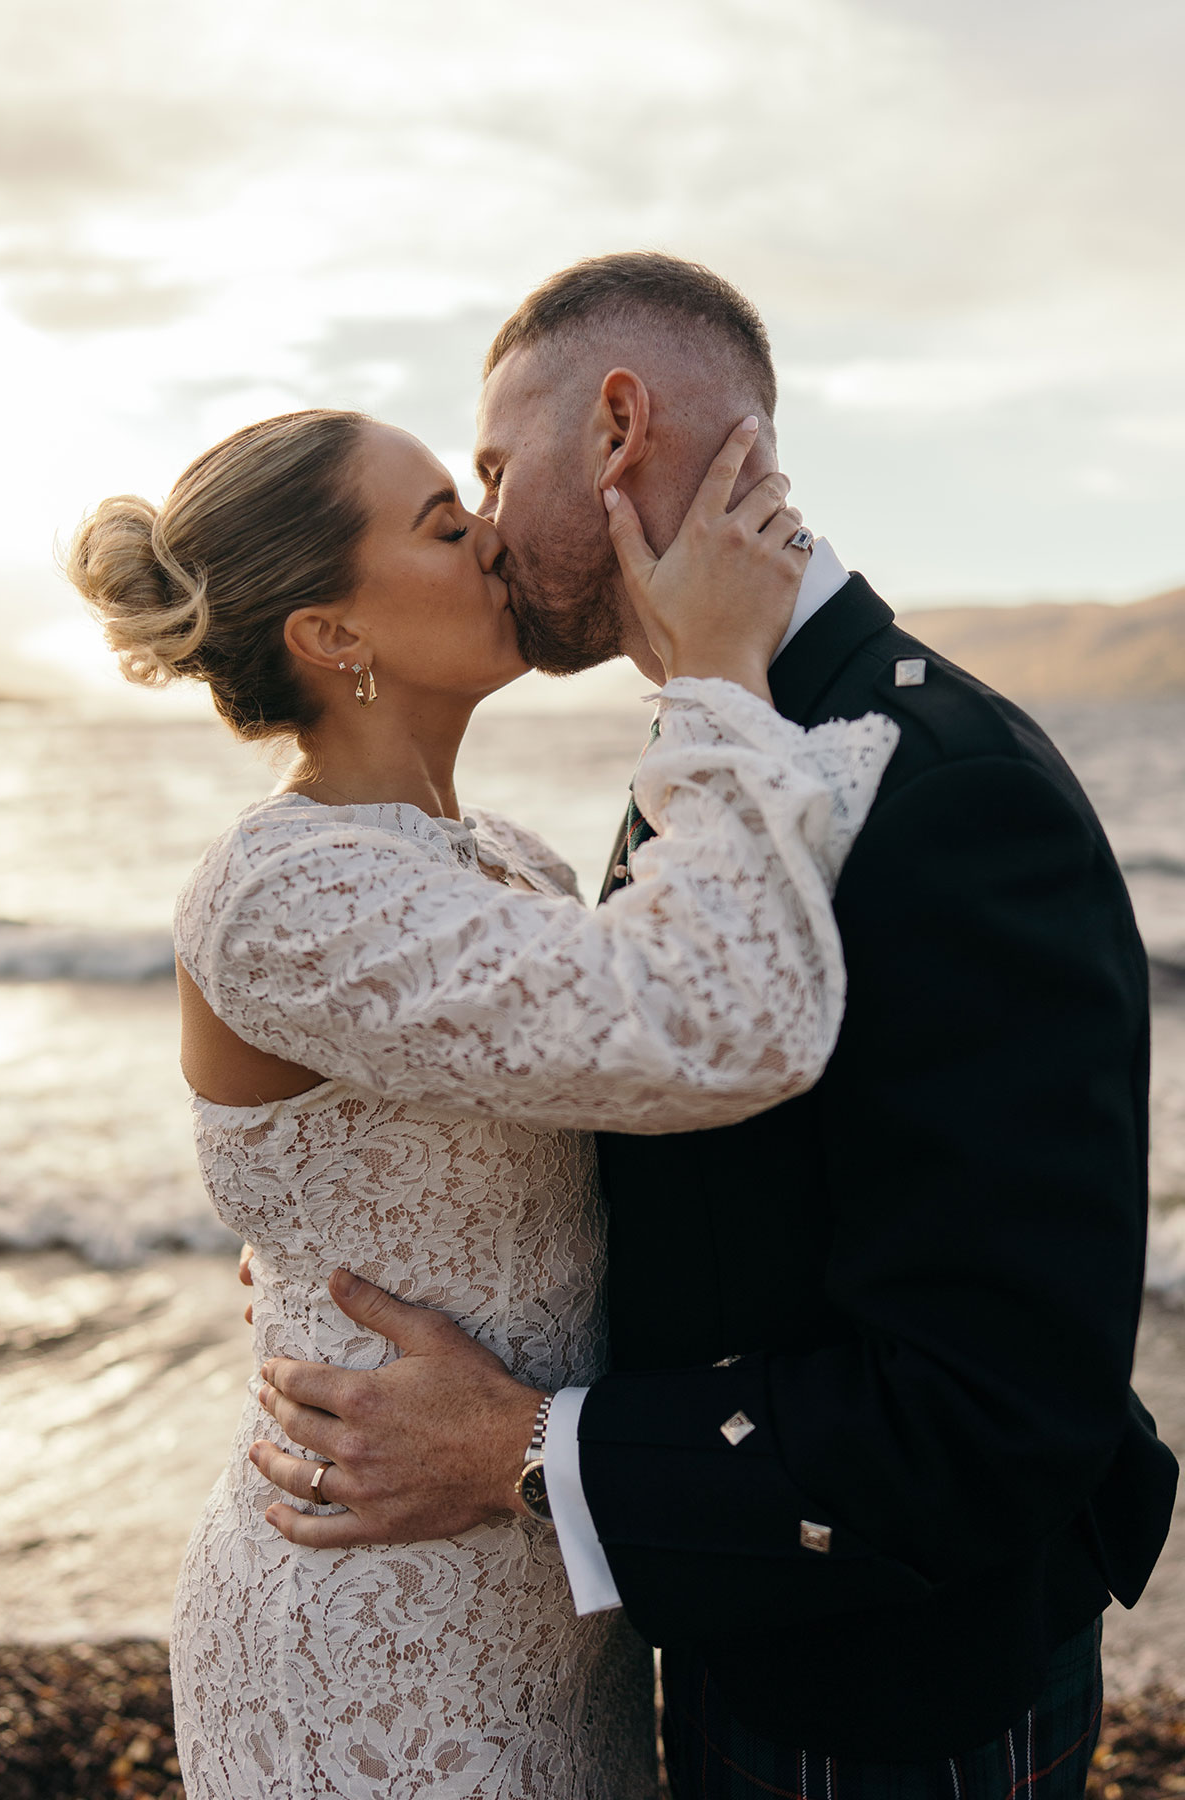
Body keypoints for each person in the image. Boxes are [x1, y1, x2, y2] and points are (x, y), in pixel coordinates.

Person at [249, 254, 1179, 1798]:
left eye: (491, 467)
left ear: (617, 424)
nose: (480, 524)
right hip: (744, 1624)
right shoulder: (739, 725)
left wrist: (529, 1452)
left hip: (894, 1696)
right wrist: (341, 1207)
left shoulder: (949, 791)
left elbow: (996, 1398)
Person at [68, 403, 898, 1798]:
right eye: (447, 524)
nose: (496, 541)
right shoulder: (281, 889)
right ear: (334, 636)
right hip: (368, 1623)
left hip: (547, 1583)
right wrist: (720, 669)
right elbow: (719, 1021)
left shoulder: (506, 860)